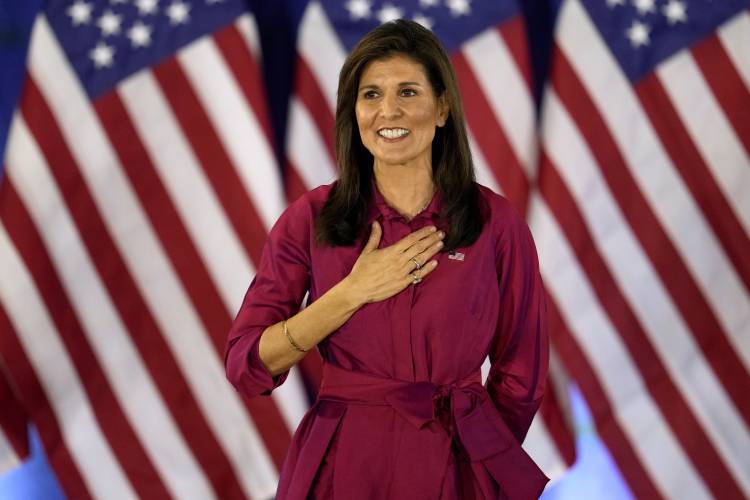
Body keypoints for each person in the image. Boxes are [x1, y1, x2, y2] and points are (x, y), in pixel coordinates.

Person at [225, 19, 549, 500]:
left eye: (408, 92)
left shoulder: (496, 223)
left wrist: (476, 457)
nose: (387, 111)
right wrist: (353, 292)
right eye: (371, 95)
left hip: (460, 465)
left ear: (442, 108)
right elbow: (246, 364)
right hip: (343, 465)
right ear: (353, 112)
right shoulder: (309, 219)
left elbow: (521, 374)